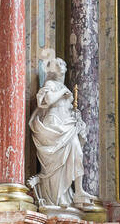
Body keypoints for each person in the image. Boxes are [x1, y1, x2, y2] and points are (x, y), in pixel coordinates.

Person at [28, 60, 93, 210]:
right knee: (56, 163)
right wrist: (62, 93)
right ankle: (57, 197)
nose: (61, 66)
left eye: (63, 64)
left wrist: (76, 116)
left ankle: (79, 191)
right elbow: (48, 100)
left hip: (66, 125)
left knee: (77, 152)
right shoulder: (50, 84)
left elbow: (68, 108)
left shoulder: (65, 88)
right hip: (53, 125)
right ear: (52, 70)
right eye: (58, 65)